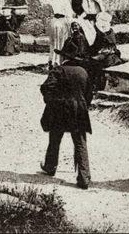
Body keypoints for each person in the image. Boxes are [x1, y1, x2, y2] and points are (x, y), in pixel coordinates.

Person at [39, 60, 92, 188]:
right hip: (78, 109)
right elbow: (89, 93)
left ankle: (50, 166)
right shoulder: (83, 72)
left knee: (55, 138)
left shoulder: (58, 70)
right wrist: (84, 105)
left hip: (60, 109)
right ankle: (84, 177)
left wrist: (51, 101)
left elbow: (46, 87)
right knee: (80, 142)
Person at [43, 0, 71, 66]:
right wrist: (69, 25)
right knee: (62, 41)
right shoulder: (66, 1)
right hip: (63, 21)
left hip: (54, 21)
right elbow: (69, 14)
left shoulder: (53, 0)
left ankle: (53, 60)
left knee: (53, 41)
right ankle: (59, 61)